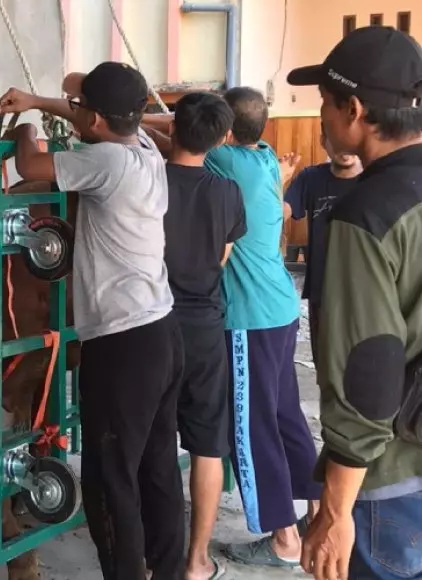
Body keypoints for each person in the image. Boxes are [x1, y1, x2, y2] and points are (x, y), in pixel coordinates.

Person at [0, 61, 185, 580]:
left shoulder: (100, 161)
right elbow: (93, 118)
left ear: (97, 120)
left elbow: (31, 164)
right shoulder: (144, 148)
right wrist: (39, 99)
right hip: (164, 330)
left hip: (122, 344)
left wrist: (26, 125)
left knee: (109, 480)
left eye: (80, 107)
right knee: (158, 467)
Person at [286, 26, 422, 580]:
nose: (321, 117)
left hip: (392, 480)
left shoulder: (363, 214)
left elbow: (369, 371)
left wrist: (336, 510)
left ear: (355, 109)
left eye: (324, 102)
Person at [203, 86, 320, 568]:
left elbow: (178, 137)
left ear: (226, 132)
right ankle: (316, 512)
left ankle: (283, 539)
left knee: (252, 428)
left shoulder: (224, 163)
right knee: (286, 413)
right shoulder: (268, 157)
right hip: (282, 306)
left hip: (250, 315)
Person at [162, 92, 247, 580]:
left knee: (149, 445)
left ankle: (157, 556)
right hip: (205, 329)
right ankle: (196, 560)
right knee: (207, 448)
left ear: (172, 127)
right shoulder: (227, 192)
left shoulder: (148, 180)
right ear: (223, 140)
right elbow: (220, 258)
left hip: (150, 325)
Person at [283, 127, 361, 365]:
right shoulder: (311, 177)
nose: (343, 148)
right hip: (322, 290)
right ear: (323, 141)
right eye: (335, 140)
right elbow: (277, 215)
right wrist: (279, 180)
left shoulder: (377, 178)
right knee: (326, 370)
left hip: (366, 294)